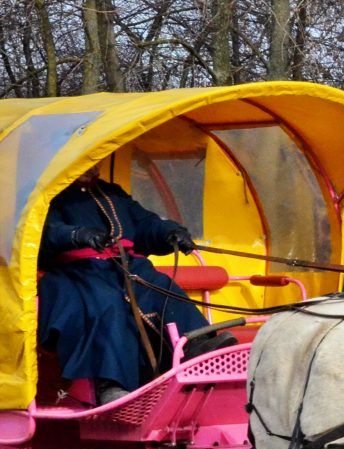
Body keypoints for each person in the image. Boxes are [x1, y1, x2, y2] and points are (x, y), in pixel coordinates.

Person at [39, 164, 236, 405]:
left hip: (124, 267)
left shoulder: (112, 193)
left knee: (163, 287)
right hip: (76, 273)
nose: (94, 167)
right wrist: (77, 235)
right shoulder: (46, 193)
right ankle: (110, 384)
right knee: (107, 302)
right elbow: (45, 231)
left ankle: (197, 346)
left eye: (97, 162)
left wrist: (170, 232)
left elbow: (144, 223)